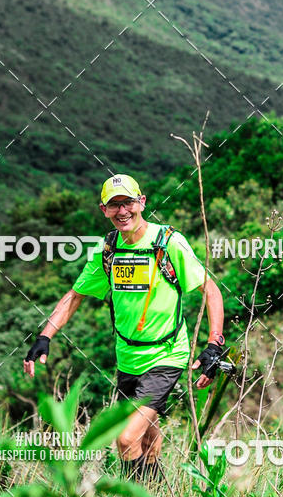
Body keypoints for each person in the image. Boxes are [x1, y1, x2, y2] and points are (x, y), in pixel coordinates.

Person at [24, 173, 225, 480]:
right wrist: (44, 335)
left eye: (128, 202)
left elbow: (210, 289)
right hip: (127, 359)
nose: (122, 212)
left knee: (125, 438)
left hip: (166, 355)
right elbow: (75, 296)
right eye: (113, 205)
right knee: (146, 438)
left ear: (141, 203)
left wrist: (214, 343)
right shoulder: (108, 249)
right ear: (103, 209)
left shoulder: (167, 243)